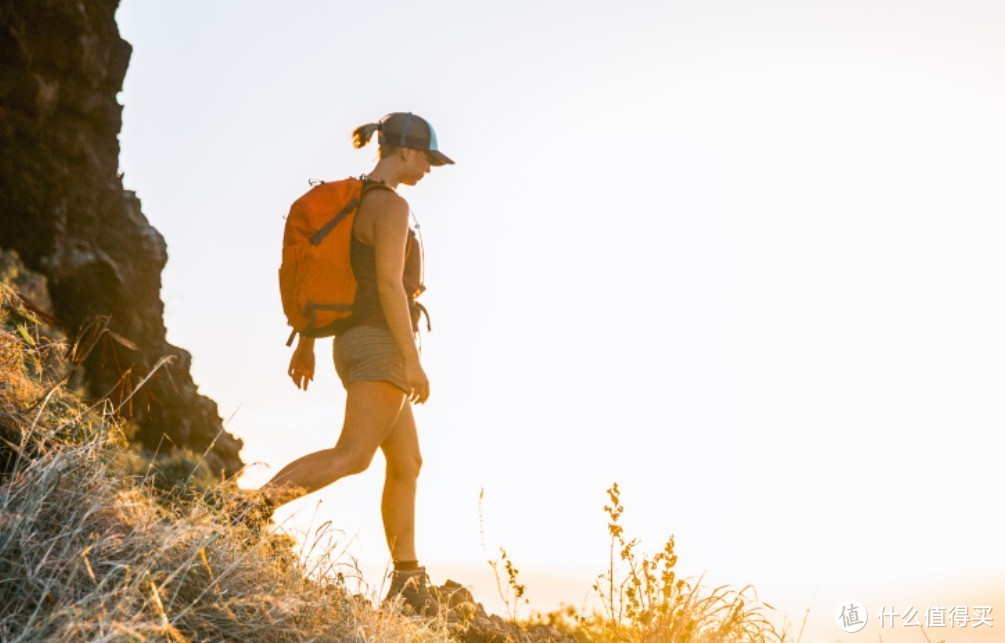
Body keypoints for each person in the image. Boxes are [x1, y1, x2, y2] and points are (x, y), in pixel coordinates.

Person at [257, 112, 453, 616]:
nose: (430, 168)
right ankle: (243, 509)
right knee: (353, 455)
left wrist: (306, 340)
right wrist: (411, 361)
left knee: (406, 462)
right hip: (380, 345)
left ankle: (408, 578)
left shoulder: (355, 201)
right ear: (405, 151)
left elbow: (335, 274)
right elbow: (388, 284)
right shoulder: (391, 207)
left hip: (351, 342)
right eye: (427, 158)